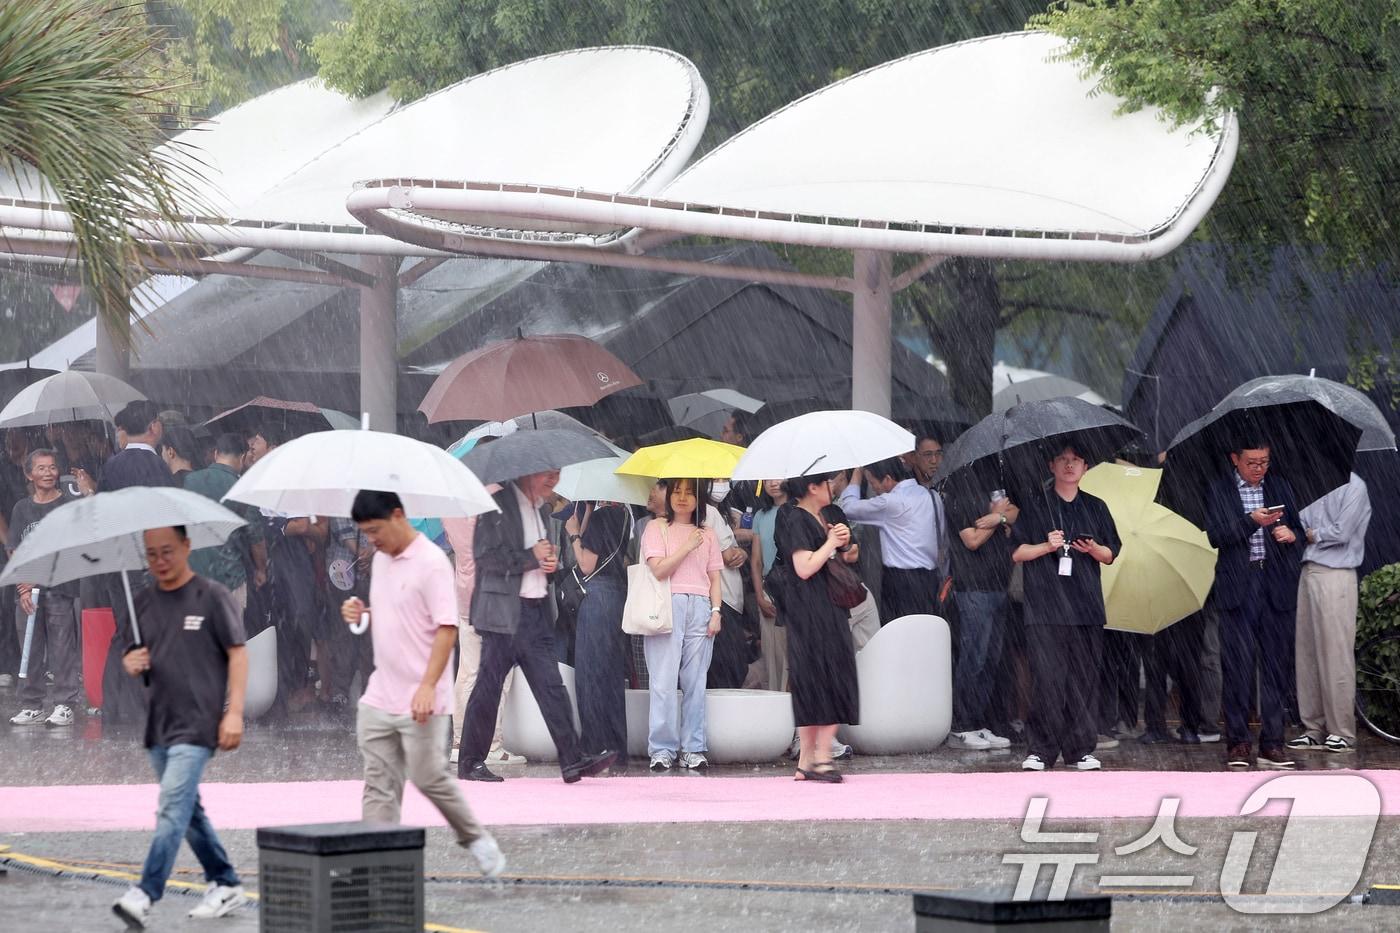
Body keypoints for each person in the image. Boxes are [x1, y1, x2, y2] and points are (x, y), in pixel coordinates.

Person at [337, 491, 504, 879]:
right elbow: (394, 614)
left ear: (399, 515)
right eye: (365, 533)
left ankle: (475, 837)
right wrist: (362, 614)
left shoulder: (431, 563)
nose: (372, 541)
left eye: (375, 530)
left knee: (429, 778)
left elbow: (446, 628)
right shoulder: (380, 561)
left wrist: (428, 686)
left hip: (423, 697)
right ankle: (377, 865)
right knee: (379, 784)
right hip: (380, 695)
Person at [111, 526, 249, 929]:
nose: (160, 562)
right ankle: (225, 882)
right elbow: (131, 655)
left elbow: (238, 655)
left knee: (172, 807)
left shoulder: (212, 596)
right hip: (158, 724)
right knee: (188, 811)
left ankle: (144, 893)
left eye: (167, 551)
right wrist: (130, 663)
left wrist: (234, 712)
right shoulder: (141, 604)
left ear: (187, 546)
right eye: (151, 555)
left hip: (198, 722)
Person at [458, 469, 615, 783]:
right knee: (488, 688)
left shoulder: (542, 510)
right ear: (527, 472)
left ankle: (572, 760)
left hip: (535, 613)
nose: (553, 480)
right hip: (504, 614)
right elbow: (487, 559)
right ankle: (470, 762)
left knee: (552, 689)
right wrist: (531, 557)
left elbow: (536, 562)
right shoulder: (495, 506)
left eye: (557, 474)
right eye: (548, 474)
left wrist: (548, 566)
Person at [1012, 444, 1120, 772]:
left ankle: (1080, 750)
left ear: (1086, 467)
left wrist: (1093, 548)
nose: (1069, 465)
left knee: (1083, 680)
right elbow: (1017, 553)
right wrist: (1047, 546)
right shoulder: (1034, 505)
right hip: (1045, 606)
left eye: (1076, 460)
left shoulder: (1096, 506)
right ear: (1052, 465)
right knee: (1047, 680)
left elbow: (1111, 554)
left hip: (1085, 605)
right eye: (1063, 460)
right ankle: (1041, 750)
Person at [1203, 439, 1304, 771]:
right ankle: (1238, 742)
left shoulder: (1282, 486)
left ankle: (1273, 743)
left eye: (1264, 461)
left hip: (1275, 585)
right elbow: (1216, 536)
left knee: (1276, 667)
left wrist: (1292, 534)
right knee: (1238, 667)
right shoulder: (1220, 490)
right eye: (1252, 463)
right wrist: (1251, 522)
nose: (1259, 469)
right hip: (1238, 585)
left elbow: (1299, 532)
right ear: (1235, 459)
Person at [773, 473, 860, 782]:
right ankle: (821, 757)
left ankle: (808, 759)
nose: (832, 488)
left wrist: (842, 542)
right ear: (812, 487)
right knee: (823, 678)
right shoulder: (795, 517)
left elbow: (842, 557)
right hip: (812, 610)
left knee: (817, 678)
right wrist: (831, 542)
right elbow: (804, 566)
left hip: (824, 607)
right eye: (826, 483)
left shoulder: (821, 515)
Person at [640, 478, 723, 772]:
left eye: (690, 492)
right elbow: (660, 570)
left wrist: (716, 611)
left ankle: (693, 747)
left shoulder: (709, 534)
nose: (683, 498)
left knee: (695, 681)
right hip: (667, 604)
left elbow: (715, 578)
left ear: (700, 497)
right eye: (677, 491)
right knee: (663, 680)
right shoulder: (656, 528)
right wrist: (687, 546)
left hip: (700, 605)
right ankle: (662, 749)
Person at [1287, 472, 1371, 754]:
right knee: (1307, 653)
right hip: (1308, 569)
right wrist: (1305, 534)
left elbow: (1341, 532)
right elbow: (1297, 524)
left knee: (1336, 653)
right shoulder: (1309, 483)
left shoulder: (1355, 486)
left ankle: (1342, 731)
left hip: (1338, 572)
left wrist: (1311, 535)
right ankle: (1313, 727)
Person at [7, 449, 82, 726]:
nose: (48, 473)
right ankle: (31, 704)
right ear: (29, 474)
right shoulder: (21, 508)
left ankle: (65, 703)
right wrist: (23, 587)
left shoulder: (68, 506)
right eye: (41, 468)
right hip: (28, 591)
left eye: (52, 467)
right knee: (30, 648)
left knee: (62, 647)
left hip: (60, 588)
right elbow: (14, 548)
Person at [944, 486, 1018, 751]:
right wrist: (999, 517)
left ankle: (978, 721)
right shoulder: (958, 495)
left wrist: (997, 518)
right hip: (973, 588)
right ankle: (961, 726)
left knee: (990, 661)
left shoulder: (997, 487)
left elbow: (1016, 513)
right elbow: (971, 540)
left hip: (999, 586)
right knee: (973, 659)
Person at [564, 500, 631, 766]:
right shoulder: (624, 514)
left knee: (590, 674)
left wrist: (574, 533)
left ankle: (593, 745)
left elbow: (586, 564)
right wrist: (589, 513)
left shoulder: (603, 517)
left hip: (596, 597)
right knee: (612, 674)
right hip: (616, 595)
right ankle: (616, 747)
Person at [839, 458, 942, 623]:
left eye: (873, 483)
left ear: (887, 479)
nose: (874, 488)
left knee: (897, 636)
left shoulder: (889, 502)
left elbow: (847, 508)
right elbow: (940, 535)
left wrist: (857, 473)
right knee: (925, 634)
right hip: (931, 579)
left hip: (900, 583)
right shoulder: (932, 495)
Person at [183, 433, 267, 620]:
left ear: (215, 454)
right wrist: (261, 569)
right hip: (229, 579)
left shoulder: (190, 481)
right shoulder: (242, 490)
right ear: (243, 457)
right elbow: (256, 537)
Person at [703, 479, 751, 688]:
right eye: (716, 479)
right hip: (723, 600)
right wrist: (742, 552)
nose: (722, 484)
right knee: (729, 667)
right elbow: (728, 557)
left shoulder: (704, 512)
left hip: (712, 599)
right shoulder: (709, 513)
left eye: (725, 479)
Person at [749, 479, 788, 691]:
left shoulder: (797, 509)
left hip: (795, 589)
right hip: (769, 590)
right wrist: (759, 596)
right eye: (768, 478)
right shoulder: (760, 515)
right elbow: (756, 561)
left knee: (794, 654)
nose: (773, 483)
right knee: (773, 656)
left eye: (778, 477)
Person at [101, 401, 173, 491]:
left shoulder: (110, 466)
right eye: (159, 420)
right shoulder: (157, 466)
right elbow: (165, 503)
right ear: (153, 427)